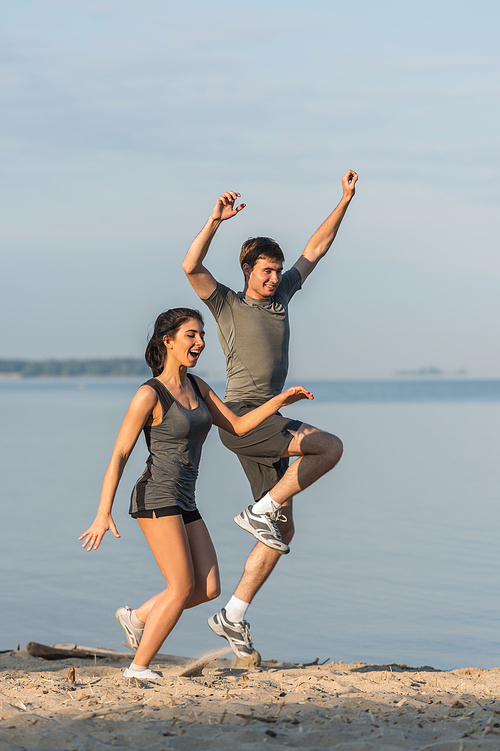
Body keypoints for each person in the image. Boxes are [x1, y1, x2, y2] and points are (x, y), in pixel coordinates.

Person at [79, 308, 312, 680]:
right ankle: (138, 668)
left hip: (185, 498)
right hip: (156, 497)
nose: (200, 342)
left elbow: (236, 426)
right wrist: (103, 511)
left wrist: (278, 402)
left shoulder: (198, 386)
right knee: (180, 585)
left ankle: (136, 617)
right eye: (191, 335)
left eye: (201, 334)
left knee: (207, 588)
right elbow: (120, 452)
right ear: (167, 341)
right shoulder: (148, 394)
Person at [182, 171, 358, 664]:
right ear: (246, 269)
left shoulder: (282, 297)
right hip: (244, 416)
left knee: (284, 529)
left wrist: (343, 200)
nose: (274, 277)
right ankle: (258, 512)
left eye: (277, 271)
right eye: (265, 271)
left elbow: (316, 249)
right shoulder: (227, 304)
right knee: (330, 446)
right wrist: (214, 221)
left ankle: (232, 616)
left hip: (266, 421)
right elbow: (190, 264)